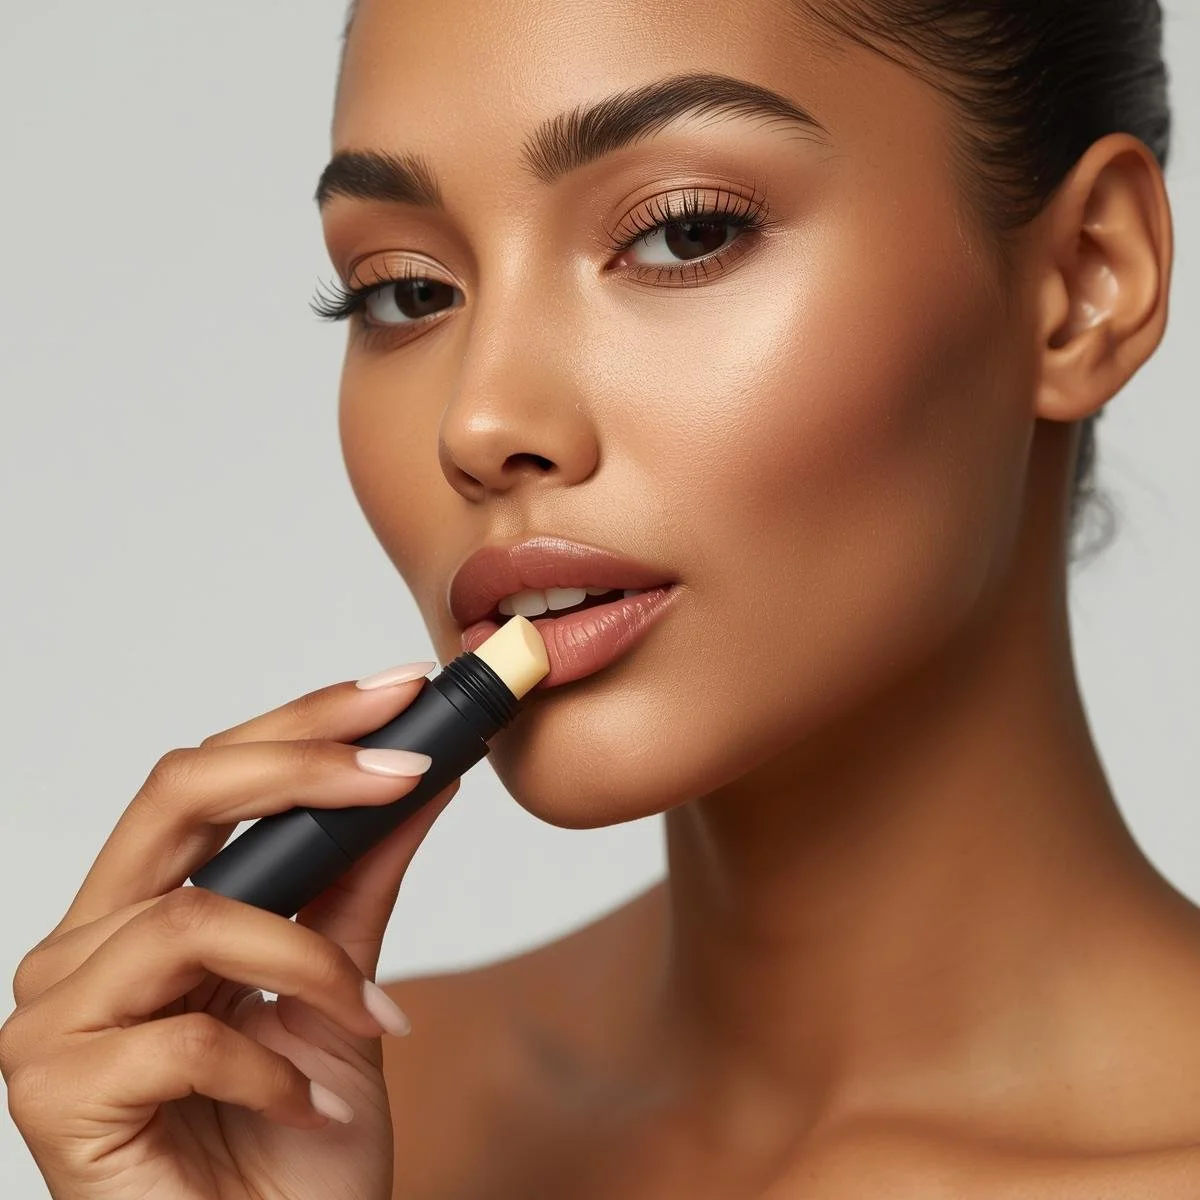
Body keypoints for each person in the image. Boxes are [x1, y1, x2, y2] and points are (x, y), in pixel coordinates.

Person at [4, 0, 1197, 1195]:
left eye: (683, 234)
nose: (478, 424)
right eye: (407, 292)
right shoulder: (285, 1123)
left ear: (1088, 277)